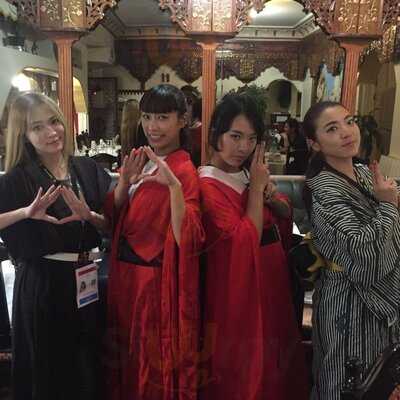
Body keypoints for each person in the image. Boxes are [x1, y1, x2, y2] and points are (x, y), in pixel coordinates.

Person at [0, 92, 111, 400]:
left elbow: (112, 224)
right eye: (37, 127)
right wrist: (25, 213)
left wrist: (90, 216)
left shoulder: (86, 168)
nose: (51, 132)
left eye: (54, 122)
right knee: (50, 372)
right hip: (45, 283)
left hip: (88, 278)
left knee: (87, 367)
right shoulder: (16, 179)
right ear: (23, 134)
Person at [198, 93, 308, 400]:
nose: (243, 147)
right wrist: (258, 191)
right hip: (240, 283)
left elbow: (284, 212)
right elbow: (242, 239)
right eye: (235, 136)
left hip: (271, 275)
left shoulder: (249, 173)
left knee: (276, 348)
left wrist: (268, 194)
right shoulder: (206, 184)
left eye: (251, 139)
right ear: (216, 135)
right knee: (248, 356)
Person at [105, 84, 204, 400]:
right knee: (127, 356)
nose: (152, 126)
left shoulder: (184, 170)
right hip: (126, 278)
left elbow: (189, 235)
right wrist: (123, 183)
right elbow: (114, 219)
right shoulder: (142, 159)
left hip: (151, 283)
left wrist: (174, 187)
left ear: (182, 120)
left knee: (148, 363)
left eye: (162, 117)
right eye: (147, 116)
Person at [302, 101, 400, 400]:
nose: (346, 132)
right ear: (315, 143)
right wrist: (388, 205)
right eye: (332, 129)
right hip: (348, 302)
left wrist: (390, 203)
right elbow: (363, 253)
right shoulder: (324, 190)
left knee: (380, 381)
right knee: (345, 383)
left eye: (349, 121)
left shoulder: (364, 172)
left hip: (380, 302)